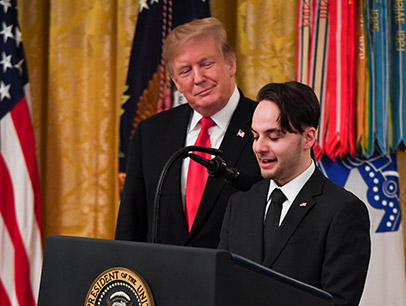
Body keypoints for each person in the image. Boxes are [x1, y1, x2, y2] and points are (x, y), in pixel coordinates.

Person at [219, 82, 370, 306]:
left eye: (274, 136)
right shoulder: (239, 204)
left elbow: (338, 302)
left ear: (308, 138)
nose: (259, 147)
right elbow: (221, 287)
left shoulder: (343, 211)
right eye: (255, 136)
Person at [115, 17, 261, 248]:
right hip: (163, 278)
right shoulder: (150, 133)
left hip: (237, 279)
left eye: (206, 64)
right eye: (185, 71)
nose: (198, 78)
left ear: (231, 64)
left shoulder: (268, 125)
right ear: (175, 82)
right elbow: (130, 226)